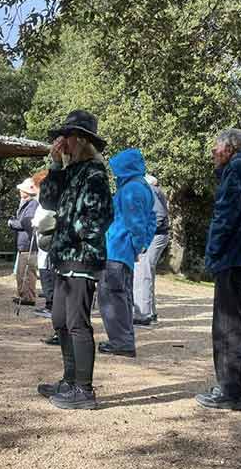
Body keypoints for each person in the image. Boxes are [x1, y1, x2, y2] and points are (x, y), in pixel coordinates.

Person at [36, 110, 113, 410]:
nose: (60, 141)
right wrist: (55, 165)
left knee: (77, 323)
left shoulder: (95, 173)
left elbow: (101, 217)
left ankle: (84, 389)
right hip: (63, 258)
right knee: (59, 320)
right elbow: (48, 200)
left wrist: (70, 232)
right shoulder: (71, 171)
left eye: (65, 136)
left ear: (80, 140)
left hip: (82, 257)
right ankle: (69, 380)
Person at [195, 129, 241, 411]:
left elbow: (224, 216)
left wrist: (213, 254)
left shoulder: (237, 170)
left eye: (216, 147)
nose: (213, 152)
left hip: (235, 255)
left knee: (228, 326)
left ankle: (231, 391)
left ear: (230, 147)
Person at [98, 149, 155, 358]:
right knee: (121, 295)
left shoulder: (132, 189)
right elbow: (151, 220)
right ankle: (123, 339)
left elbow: (136, 223)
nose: (115, 173)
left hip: (117, 249)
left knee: (112, 297)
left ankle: (121, 342)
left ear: (125, 167)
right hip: (123, 251)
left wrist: (136, 245)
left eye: (117, 168)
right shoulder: (142, 187)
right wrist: (141, 245)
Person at [133, 174, 171, 326]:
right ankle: (150, 313)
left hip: (154, 236)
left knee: (143, 272)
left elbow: (158, 216)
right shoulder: (153, 190)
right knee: (146, 272)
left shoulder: (149, 190)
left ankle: (143, 315)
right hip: (158, 235)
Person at [9, 178, 40, 306]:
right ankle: (24, 295)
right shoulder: (26, 203)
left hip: (28, 243)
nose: (20, 191)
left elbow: (27, 223)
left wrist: (12, 223)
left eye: (22, 189)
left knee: (27, 272)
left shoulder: (32, 205)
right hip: (24, 243)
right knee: (22, 272)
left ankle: (29, 297)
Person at [31, 170, 55, 320]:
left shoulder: (48, 200)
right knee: (45, 271)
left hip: (48, 241)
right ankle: (49, 303)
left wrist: (36, 223)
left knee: (48, 273)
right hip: (43, 242)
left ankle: (51, 304)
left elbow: (46, 218)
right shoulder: (43, 199)